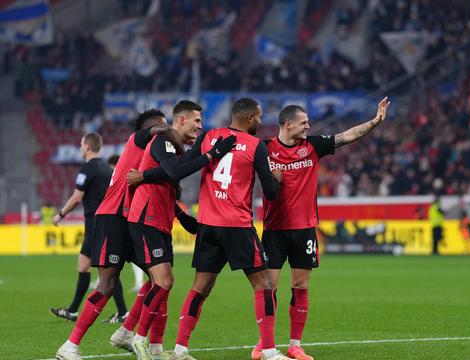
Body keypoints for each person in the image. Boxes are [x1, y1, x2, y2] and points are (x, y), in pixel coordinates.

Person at [252, 97, 390, 360]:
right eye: (303, 123)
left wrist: (374, 122)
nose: (308, 126)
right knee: (268, 287)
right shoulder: (264, 148)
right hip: (274, 229)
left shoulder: (313, 145)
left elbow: (347, 136)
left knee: (301, 285)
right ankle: (264, 343)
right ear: (287, 124)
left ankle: (295, 345)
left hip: (305, 229)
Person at [164, 98, 286, 360]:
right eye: (260, 117)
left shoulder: (209, 136)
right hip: (237, 225)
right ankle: (269, 351)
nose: (262, 122)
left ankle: (180, 350)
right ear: (251, 118)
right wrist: (277, 178)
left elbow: (182, 169)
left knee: (200, 287)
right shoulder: (255, 146)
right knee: (264, 284)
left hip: (208, 224)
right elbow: (272, 193)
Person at [54, 111, 176, 359]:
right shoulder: (137, 140)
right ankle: (70, 346)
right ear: (153, 126)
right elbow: (158, 131)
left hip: (132, 219)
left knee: (160, 279)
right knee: (107, 284)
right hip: (112, 218)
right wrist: (178, 132)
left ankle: (126, 332)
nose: (166, 128)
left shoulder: (154, 154)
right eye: (163, 123)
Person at [126, 100, 236, 360]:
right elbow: (175, 170)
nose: (200, 126)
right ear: (181, 120)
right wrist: (210, 155)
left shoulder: (172, 149)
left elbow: (168, 174)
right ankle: (137, 340)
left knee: (162, 283)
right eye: (196, 121)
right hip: (146, 217)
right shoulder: (163, 140)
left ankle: (154, 347)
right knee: (164, 281)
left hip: (161, 219)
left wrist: (182, 216)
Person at [49, 133, 129, 325]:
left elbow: (77, 197)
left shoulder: (88, 169)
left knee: (106, 270)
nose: (80, 147)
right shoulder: (106, 168)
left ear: (87, 147)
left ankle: (123, 312)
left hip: (97, 225)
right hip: (101, 223)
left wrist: (60, 214)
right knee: (84, 265)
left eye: (81, 144)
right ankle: (73, 311)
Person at [107, 154, 146, 292]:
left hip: (128, 222)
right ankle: (139, 283)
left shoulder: (125, 178)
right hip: (130, 221)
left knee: (115, 258)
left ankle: (139, 283)